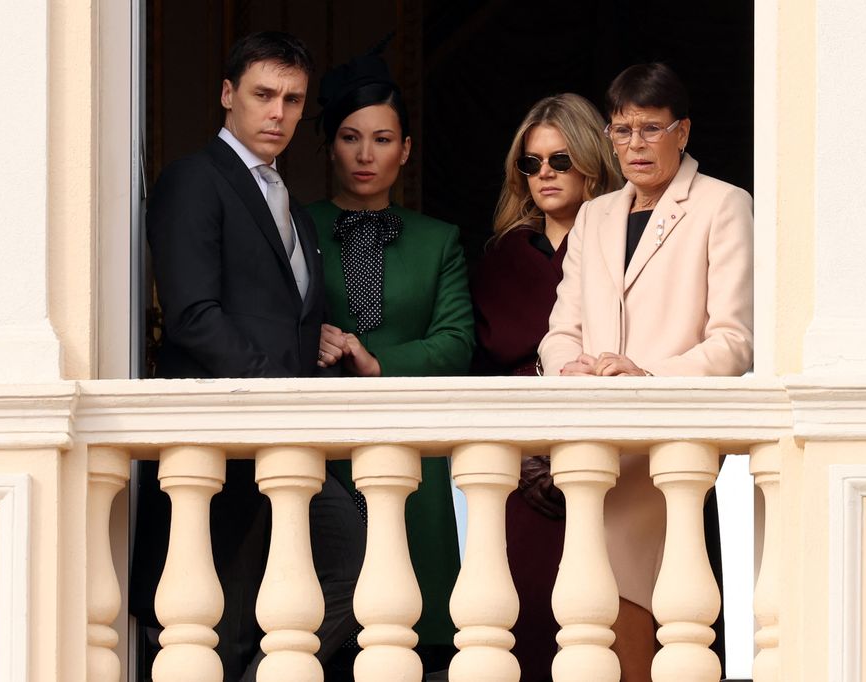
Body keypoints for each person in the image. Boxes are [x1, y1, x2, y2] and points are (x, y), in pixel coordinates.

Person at [131, 31, 365, 682]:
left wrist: (315, 339)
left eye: (293, 100)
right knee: (221, 622)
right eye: (264, 95)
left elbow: (274, 309)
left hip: (284, 441)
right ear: (228, 94)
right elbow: (193, 317)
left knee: (346, 569)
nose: (279, 113)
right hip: (220, 440)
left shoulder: (295, 209)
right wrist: (278, 388)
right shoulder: (192, 181)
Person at [539, 63, 753, 680]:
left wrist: (647, 378)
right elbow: (560, 330)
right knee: (587, 636)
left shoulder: (723, 204)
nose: (635, 145)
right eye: (622, 130)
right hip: (594, 455)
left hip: (671, 458)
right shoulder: (595, 215)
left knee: (662, 634)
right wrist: (569, 368)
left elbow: (734, 342)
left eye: (651, 129)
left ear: (681, 132)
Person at [308, 44, 474, 677]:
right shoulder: (295, 227)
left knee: (419, 629)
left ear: (406, 149)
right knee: (322, 626)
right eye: (351, 138)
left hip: (416, 455)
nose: (366, 154)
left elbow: (456, 343)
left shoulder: (439, 240)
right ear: (330, 146)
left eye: (382, 139)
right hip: (321, 448)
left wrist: (375, 362)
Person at [471, 93, 622, 681]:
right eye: (530, 164)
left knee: (609, 624)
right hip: (523, 467)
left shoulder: (626, 247)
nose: (544, 175)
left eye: (560, 160)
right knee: (527, 619)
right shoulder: (503, 257)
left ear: (590, 161)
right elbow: (482, 366)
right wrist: (527, 456)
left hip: (611, 460)